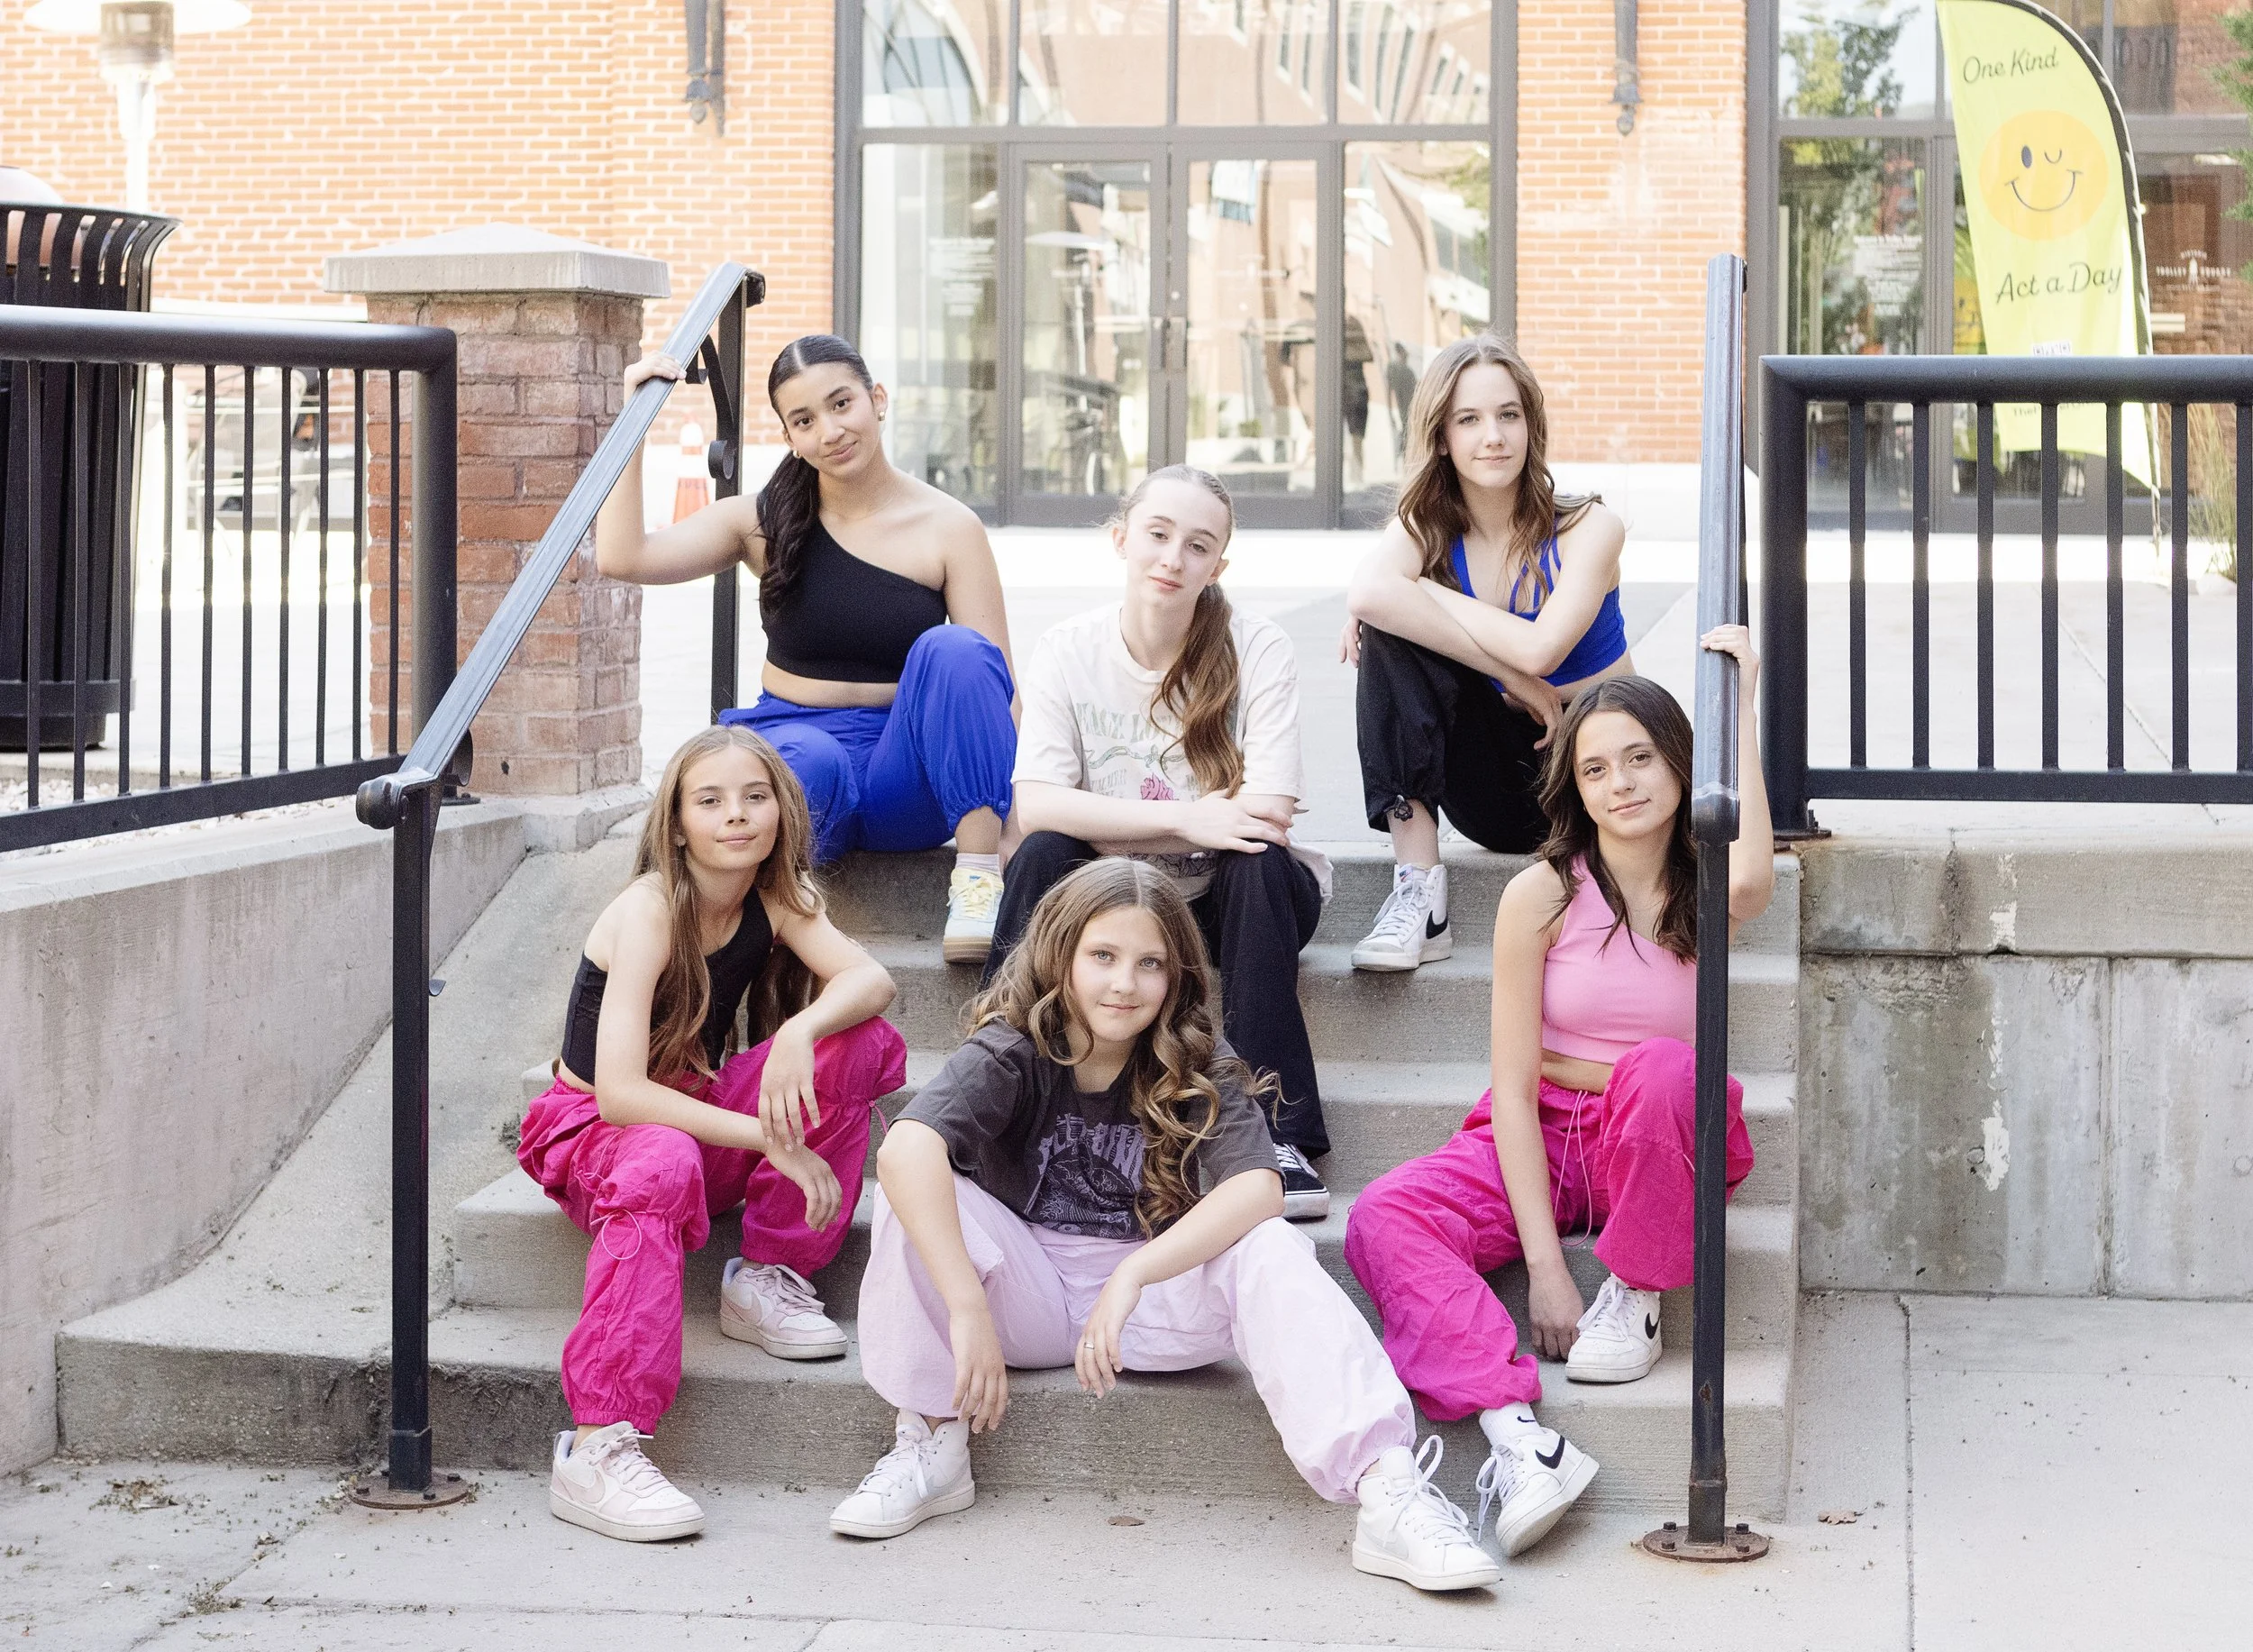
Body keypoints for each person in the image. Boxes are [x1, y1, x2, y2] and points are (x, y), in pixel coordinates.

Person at [832, 858, 1503, 1594]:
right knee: (910, 1181)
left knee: (1271, 1246)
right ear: (1060, 956)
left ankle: (1386, 1489)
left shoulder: (1194, 1058)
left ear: (1177, 973)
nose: (1124, 982)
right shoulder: (1015, 1047)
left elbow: (1258, 1187)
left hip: (1147, 1306)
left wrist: (1135, 1273)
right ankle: (933, 1434)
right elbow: (904, 1147)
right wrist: (965, 1305)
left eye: (1149, 962)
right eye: (1103, 957)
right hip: (1018, 1292)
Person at [1341, 645, 1772, 1559]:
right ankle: (1514, 1431)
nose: (1620, 784)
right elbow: (1511, 1081)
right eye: (1595, 768)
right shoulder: (1541, 893)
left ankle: (1639, 1286)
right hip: (1540, 1131)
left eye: (1641, 758)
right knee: (1384, 1215)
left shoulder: (1708, 882)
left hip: (1655, 1135)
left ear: (1681, 762)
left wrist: (1742, 703)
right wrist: (1542, 1268)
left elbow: (1749, 873)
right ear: (1573, 788)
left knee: (1664, 1070)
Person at [516, 725, 908, 1543]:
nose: (737, 815)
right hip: (595, 1130)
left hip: (695, 1114)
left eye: (755, 796)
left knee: (858, 1042)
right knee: (660, 1154)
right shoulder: (650, 908)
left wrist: (800, 1032)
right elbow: (622, 1094)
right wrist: (768, 1138)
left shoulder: (776, 895)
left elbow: (871, 981)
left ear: (781, 810)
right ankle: (598, 1443)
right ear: (679, 821)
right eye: (711, 800)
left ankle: (766, 1274)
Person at [594, 334, 1018, 966]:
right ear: (790, 435)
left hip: (910, 774)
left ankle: (979, 885)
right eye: (804, 420)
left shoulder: (949, 526)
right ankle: (746, 922)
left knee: (956, 650)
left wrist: (1009, 827)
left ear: (877, 399)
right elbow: (624, 556)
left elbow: (994, 690)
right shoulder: (762, 520)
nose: (830, 430)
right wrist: (633, 420)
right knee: (805, 758)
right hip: (805, 765)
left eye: (842, 403)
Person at [982, 464, 1335, 1219]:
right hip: (1115, 905)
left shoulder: (1257, 647)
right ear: (1121, 540)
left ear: (1219, 566)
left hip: (1234, 902)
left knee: (1259, 859)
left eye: (1198, 545)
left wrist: (1204, 830)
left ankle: (1278, 1134)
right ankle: (993, 1093)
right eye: (1158, 535)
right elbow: (1038, 804)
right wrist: (1184, 819)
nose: (1174, 557)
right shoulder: (1069, 649)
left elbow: (1269, 808)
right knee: (1042, 857)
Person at [1340, 333, 1634, 974]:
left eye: (1508, 414)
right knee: (1391, 630)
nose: (1493, 435)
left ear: (1531, 423)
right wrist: (1503, 673)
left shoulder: (1589, 526)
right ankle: (1421, 896)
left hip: (1581, 779)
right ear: (1441, 437)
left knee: (1399, 609)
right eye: (1468, 420)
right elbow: (1368, 591)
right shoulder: (1427, 530)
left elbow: (1541, 646)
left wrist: (1416, 593)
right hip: (1497, 786)